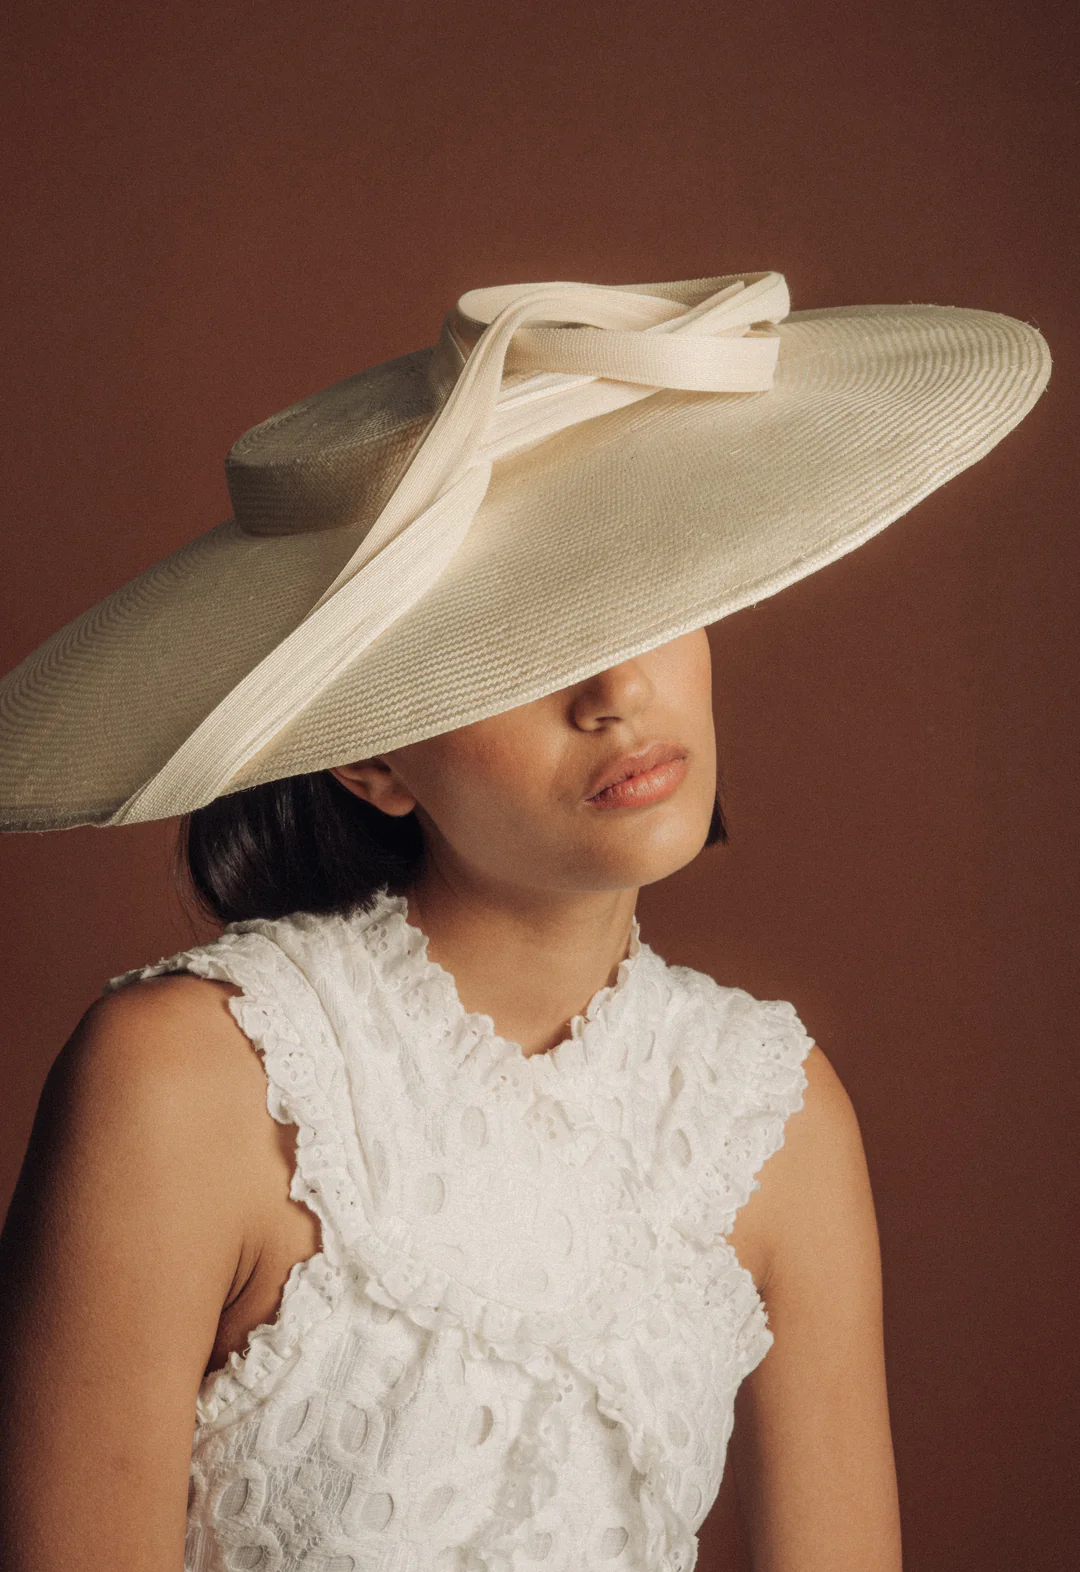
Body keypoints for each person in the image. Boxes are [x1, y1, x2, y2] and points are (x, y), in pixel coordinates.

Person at [0, 270, 1051, 1571]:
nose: (620, 690)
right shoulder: (180, 1083)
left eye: (646, 598)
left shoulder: (773, 1114)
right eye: (517, 648)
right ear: (370, 757)